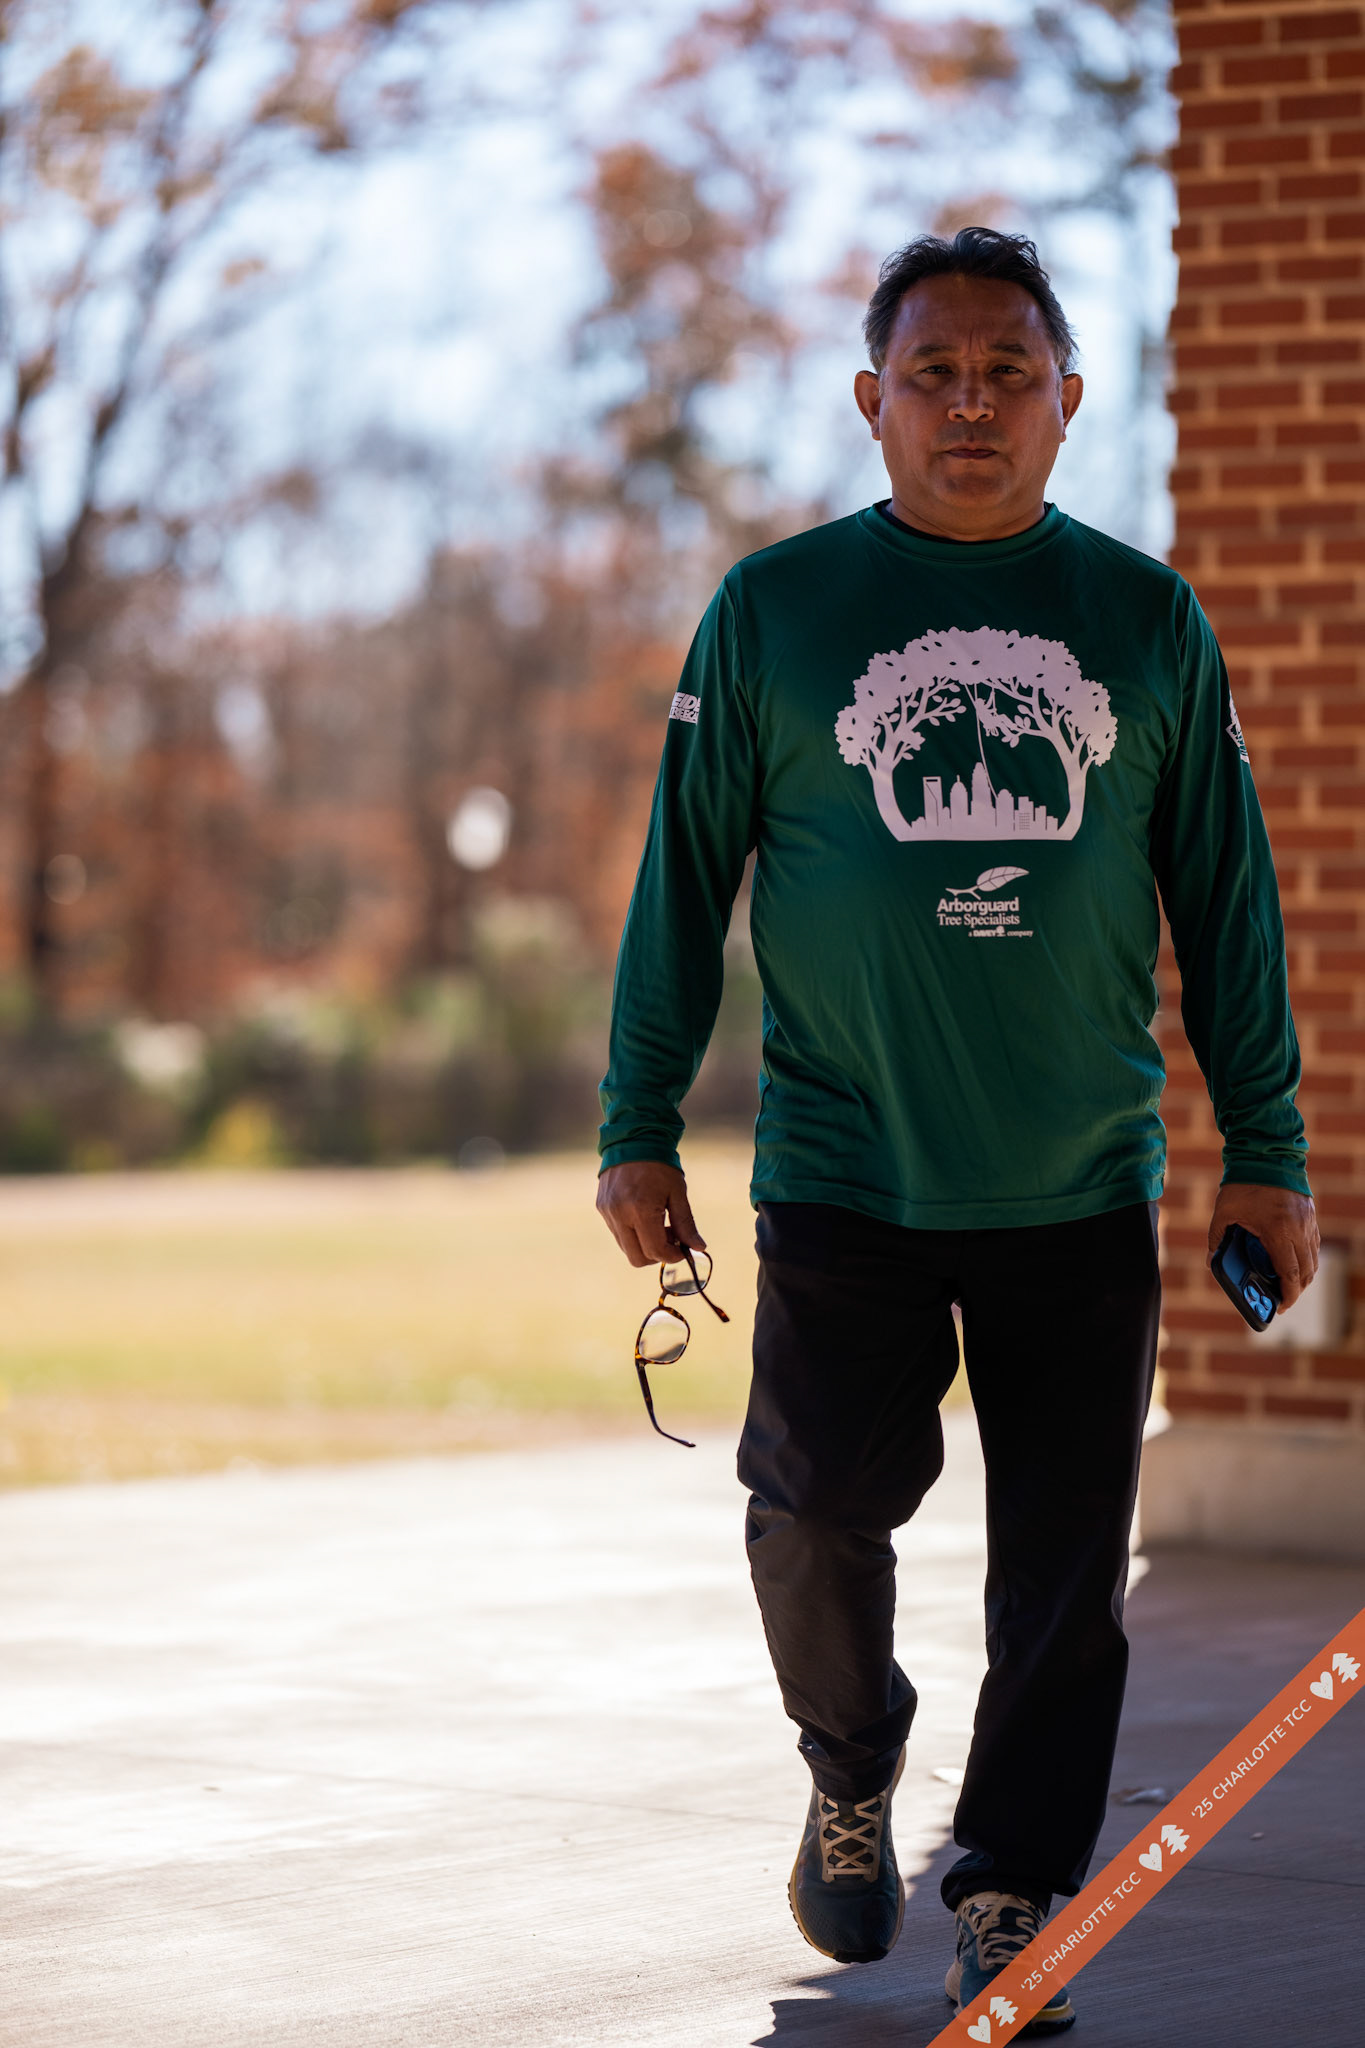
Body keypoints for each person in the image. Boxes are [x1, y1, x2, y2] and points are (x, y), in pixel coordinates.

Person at [594, 227, 1318, 2036]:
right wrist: (635, 1121)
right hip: (843, 1169)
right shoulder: (771, 610)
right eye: (934, 371)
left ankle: (1007, 1892)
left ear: (1070, 398)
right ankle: (851, 1768)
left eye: (1008, 372)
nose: (971, 403)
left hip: (1076, 1179)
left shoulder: (1147, 620)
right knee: (809, 1510)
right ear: (872, 400)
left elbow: (1227, 904)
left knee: (1062, 1583)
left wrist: (1269, 1147)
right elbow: (682, 882)